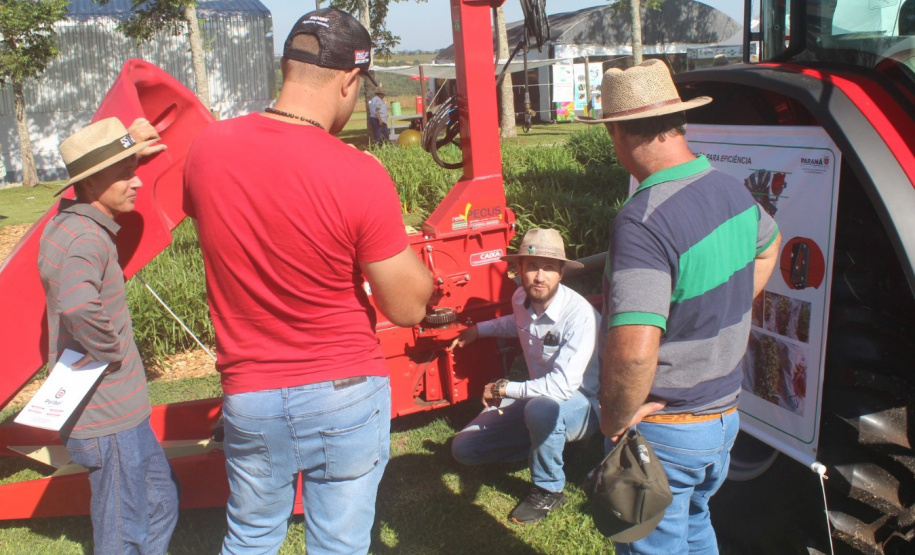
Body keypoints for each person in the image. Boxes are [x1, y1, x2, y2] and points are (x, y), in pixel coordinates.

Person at [182, 8, 433, 555]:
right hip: (343, 390)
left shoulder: (206, 150)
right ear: (350, 79)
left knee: (249, 537)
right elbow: (408, 307)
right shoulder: (359, 172)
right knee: (338, 544)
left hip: (250, 394)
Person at [581, 59, 781, 553]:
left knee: (654, 541)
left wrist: (612, 419)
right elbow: (770, 245)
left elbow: (632, 352)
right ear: (677, 121)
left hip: (664, 432)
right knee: (695, 525)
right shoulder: (729, 190)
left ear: (620, 133)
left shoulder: (643, 219)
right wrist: (720, 313)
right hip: (721, 421)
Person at [37, 117, 178, 554]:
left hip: (119, 412)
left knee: (161, 500)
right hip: (108, 418)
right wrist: (112, 351)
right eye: (125, 173)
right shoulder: (86, 239)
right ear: (93, 181)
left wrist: (132, 142)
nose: (136, 182)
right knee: (122, 525)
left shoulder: (69, 224)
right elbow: (78, 305)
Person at [450, 228, 601, 524]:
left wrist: (505, 388)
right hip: (538, 398)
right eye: (532, 266)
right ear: (518, 270)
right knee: (464, 449)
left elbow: (562, 386)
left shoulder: (578, 315)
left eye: (548, 267)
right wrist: (478, 330)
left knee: (542, 408)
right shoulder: (521, 297)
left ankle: (549, 490)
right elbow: (516, 323)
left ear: (561, 272)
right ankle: (547, 446)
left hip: (585, 403)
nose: (539, 277)